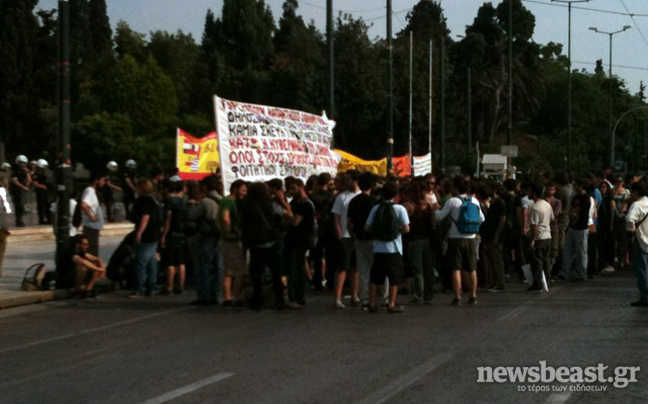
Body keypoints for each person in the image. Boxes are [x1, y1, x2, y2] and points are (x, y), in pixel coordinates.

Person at [240, 182, 292, 310]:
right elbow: (289, 215)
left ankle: (258, 300)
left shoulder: (246, 206)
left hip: (255, 244)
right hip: (271, 242)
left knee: (256, 274)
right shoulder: (271, 205)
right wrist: (282, 200)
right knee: (276, 272)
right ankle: (279, 299)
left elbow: (244, 226)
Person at [433, 177, 485, 306]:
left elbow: (439, 217)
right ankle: (473, 295)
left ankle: (457, 296)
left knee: (456, 268)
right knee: (472, 268)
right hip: (471, 238)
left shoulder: (452, 201)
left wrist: (434, 208)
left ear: (456, 188)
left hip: (455, 238)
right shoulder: (475, 201)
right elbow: (482, 219)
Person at [365, 182, 410, 313]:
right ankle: (391, 304)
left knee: (375, 278)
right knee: (394, 278)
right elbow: (407, 228)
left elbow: (367, 228)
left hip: (378, 248)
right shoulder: (400, 209)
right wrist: (396, 231)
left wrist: (379, 233)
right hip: (394, 249)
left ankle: (372, 303)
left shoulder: (376, 208)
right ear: (396, 195)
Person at [188, 176, 223, 306]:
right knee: (218, 267)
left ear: (205, 187)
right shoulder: (222, 200)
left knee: (204, 267)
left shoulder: (205, 202)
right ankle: (217, 295)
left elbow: (191, 216)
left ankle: (204, 296)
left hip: (206, 236)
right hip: (220, 237)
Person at [331, 170, 361, 309]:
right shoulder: (341, 197)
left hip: (358, 237)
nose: (346, 182)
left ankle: (354, 296)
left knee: (355, 268)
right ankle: (337, 297)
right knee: (342, 267)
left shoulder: (362, 196)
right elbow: (336, 218)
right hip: (345, 236)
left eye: (348, 179)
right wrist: (340, 236)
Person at [402, 180, 435, 304]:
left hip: (414, 240)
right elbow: (433, 223)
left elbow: (405, 224)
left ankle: (418, 295)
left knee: (417, 269)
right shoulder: (428, 205)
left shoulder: (409, 206)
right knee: (428, 268)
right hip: (427, 239)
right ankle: (428, 294)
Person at [347, 172, 377, 306]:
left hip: (359, 238)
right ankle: (379, 297)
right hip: (373, 239)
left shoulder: (353, 201)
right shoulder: (373, 202)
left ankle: (364, 297)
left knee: (362, 269)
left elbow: (349, 222)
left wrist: (352, 234)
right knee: (376, 268)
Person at [285, 179, 315, 309]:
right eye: (289, 188)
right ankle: (293, 296)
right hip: (292, 240)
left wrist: (285, 207)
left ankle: (299, 297)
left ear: (301, 187)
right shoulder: (295, 202)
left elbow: (295, 221)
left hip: (301, 240)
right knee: (293, 269)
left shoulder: (306, 204)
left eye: (293, 188)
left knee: (298, 269)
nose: (291, 191)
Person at [129, 178, 162, 297]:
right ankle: (151, 286)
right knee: (152, 262)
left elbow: (145, 217)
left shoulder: (144, 201)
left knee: (141, 262)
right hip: (155, 233)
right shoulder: (155, 199)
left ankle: (140, 287)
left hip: (146, 234)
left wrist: (139, 233)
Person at [219, 179, 248, 308]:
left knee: (228, 270)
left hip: (226, 239)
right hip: (231, 240)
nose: (244, 193)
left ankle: (227, 297)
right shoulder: (229, 201)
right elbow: (225, 218)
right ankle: (237, 297)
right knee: (240, 270)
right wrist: (230, 232)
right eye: (242, 190)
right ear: (235, 189)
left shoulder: (229, 201)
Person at [559, 179, 591, 282]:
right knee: (567, 250)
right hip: (572, 226)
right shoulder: (575, 196)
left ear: (581, 186)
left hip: (581, 228)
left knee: (581, 252)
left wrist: (573, 212)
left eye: (576, 185)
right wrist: (571, 212)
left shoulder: (586, 198)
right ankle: (564, 272)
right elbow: (570, 209)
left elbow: (578, 210)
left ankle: (581, 273)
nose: (574, 187)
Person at [160, 177, 188, 295]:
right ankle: (181, 285)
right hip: (182, 233)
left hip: (171, 233)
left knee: (170, 262)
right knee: (181, 262)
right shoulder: (182, 201)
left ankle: (169, 286)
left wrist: (164, 235)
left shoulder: (168, 202)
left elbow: (168, 218)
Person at [480, 182, 507, 292]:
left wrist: (497, 235)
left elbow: (502, 219)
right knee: (491, 258)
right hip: (489, 234)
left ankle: (499, 282)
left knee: (496, 259)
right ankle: (492, 282)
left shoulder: (500, 203)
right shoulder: (492, 202)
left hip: (495, 235)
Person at [625, 181, 648, 307]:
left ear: (636, 192)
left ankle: (645, 296)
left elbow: (629, 219)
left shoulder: (637, 205)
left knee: (641, 269)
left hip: (640, 239)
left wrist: (631, 229)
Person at [528, 182, 553, 291]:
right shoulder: (547, 204)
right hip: (548, 235)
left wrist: (532, 240)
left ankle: (539, 283)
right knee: (546, 260)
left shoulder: (535, 208)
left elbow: (534, 226)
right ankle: (546, 280)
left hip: (539, 237)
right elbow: (552, 218)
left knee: (537, 261)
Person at [80, 172, 106, 257]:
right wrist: (91, 216)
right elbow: (84, 204)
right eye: (102, 180)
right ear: (96, 180)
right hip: (90, 227)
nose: (104, 182)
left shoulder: (92, 192)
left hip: (93, 228)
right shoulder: (90, 191)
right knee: (92, 253)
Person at [10, 155, 31, 227]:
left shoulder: (25, 171)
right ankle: (18, 220)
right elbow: (15, 181)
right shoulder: (15, 171)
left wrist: (27, 184)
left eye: (24, 163)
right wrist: (23, 187)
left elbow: (29, 179)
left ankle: (20, 219)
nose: (23, 164)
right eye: (22, 163)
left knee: (23, 205)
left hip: (23, 190)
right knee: (18, 205)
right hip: (17, 190)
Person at [32, 159, 50, 225]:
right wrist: (42, 186)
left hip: (45, 192)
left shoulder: (44, 174)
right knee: (41, 206)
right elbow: (35, 183)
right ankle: (41, 220)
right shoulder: (36, 174)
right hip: (40, 192)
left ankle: (49, 219)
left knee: (47, 205)